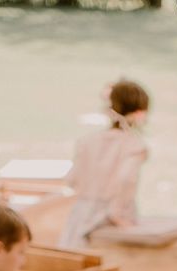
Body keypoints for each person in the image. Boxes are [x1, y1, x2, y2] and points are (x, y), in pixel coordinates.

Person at [59, 79, 149, 248]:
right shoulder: (134, 145)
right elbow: (126, 179)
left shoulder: (87, 141)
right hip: (108, 218)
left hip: (81, 214)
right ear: (140, 112)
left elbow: (72, 179)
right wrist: (118, 216)